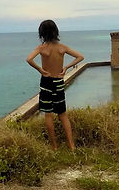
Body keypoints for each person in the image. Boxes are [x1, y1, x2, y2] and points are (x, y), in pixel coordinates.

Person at [26, 19, 83, 150]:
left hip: (46, 81)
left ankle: (54, 146)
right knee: (62, 114)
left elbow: (29, 59)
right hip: (58, 81)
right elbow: (80, 56)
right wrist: (67, 67)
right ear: (55, 31)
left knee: (48, 114)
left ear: (42, 33)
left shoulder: (42, 48)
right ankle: (71, 146)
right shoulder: (62, 47)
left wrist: (40, 69)